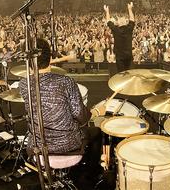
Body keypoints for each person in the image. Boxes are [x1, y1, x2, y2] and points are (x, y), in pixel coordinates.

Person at [18, 38, 105, 185]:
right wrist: (96, 111)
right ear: (51, 58)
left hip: (38, 147)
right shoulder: (65, 82)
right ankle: (91, 175)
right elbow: (81, 118)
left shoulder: (23, 84)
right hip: (68, 146)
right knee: (96, 132)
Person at [104, 3, 135, 74]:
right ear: (125, 23)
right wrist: (130, 9)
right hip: (128, 56)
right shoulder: (129, 29)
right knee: (129, 74)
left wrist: (107, 11)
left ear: (118, 23)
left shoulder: (116, 29)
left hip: (119, 57)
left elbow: (108, 21)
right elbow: (132, 20)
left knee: (121, 74)